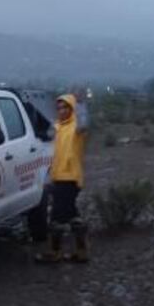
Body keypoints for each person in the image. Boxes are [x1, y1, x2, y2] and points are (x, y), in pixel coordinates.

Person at [36, 93, 89, 263]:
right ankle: (82, 252)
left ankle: (55, 252)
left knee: (56, 217)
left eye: (66, 107)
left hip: (71, 178)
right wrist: (47, 178)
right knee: (73, 215)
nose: (62, 110)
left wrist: (80, 104)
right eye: (59, 107)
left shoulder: (77, 128)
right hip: (58, 177)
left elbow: (84, 122)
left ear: (72, 108)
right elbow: (52, 151)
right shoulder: (57, 127)